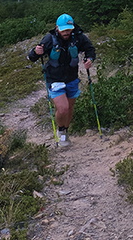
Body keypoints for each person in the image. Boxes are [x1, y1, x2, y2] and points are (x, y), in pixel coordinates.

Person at [26, 13, 96, 146]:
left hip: (72, 77)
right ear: (57, 28)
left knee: (69, 108)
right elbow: (32, 58)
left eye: (68, 30)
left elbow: (90, 49)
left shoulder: (78, 37)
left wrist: (90, 59)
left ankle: (65, 131)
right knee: (63, 108)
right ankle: (60, 130)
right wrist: (35, 52)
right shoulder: (49, 39)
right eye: (63, 30)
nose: (66, 32)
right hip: (54, 78)